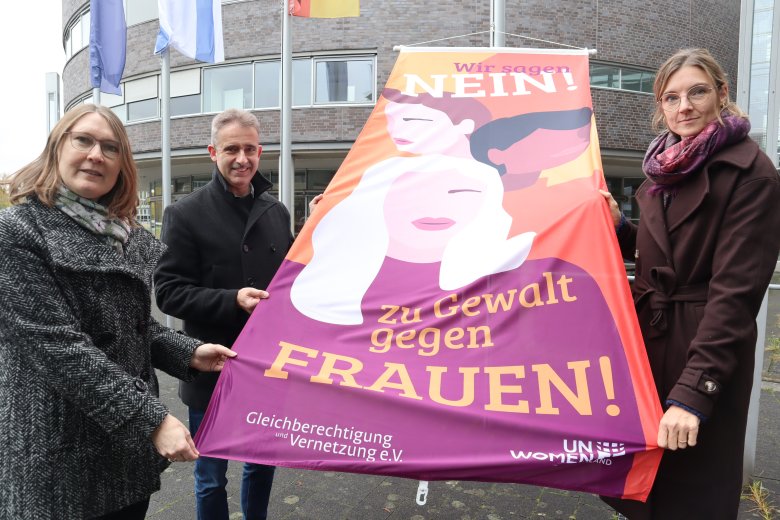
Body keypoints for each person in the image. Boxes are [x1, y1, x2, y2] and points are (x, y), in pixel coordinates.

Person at [0, 104, 236, 519]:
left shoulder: (122, 234)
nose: (96, 155)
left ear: (121, 165)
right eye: (84, 141)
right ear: (56, 148)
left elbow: (133, 326)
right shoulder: (18, 232)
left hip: (121, 454)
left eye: (111, 148)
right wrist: (151, 420)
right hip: (58, 458)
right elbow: (58, 347)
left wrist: (189, 352)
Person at [601, 48, 780, 519]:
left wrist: (693, 392)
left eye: (697, 91)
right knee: (641, 487)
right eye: (671, 97)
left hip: (703, 350)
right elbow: (671, 254)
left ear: (722, 93)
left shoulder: (750, 173)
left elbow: (735, 296)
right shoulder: (666, 168)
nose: (685, 107)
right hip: (651, 342)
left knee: (688, 492)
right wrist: (623, 230)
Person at [154, 108, 293, 520]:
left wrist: (318, 229)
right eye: (232, 148)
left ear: (260, 152)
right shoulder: (185, 213)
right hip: (211, 366)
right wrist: (232, 299)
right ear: (213, 151)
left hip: (267, 364)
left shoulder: (276, 211)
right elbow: (168, 293)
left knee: (261, 465)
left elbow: (288, 278)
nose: (242, 158)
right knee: (211, 476)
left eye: (250, 149)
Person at [291, 154, 536, 325]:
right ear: (377, 201)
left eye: (460, 194)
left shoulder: (518, 269)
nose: (435, 206)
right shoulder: (326, 274)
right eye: (412, 194)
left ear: (487, 204)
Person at [382, 88, 492, 157]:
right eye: (391, 121)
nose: (394, 131)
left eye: (411, 121)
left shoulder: (480, 180)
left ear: (465, 126)